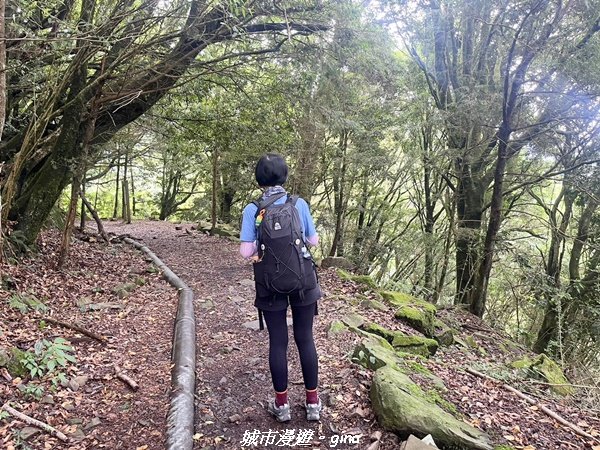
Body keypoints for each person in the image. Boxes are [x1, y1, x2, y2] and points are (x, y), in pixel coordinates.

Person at [239, 153, 322, 422]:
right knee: (305, 338)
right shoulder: (299, 204)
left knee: (278, 341)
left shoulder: (253, 209)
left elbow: (245, 251)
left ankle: (282, 405)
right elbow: (314, 240)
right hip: (303, 281)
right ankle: (312, 404)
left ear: (259, 178)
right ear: (285, 175)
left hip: (269, 283)